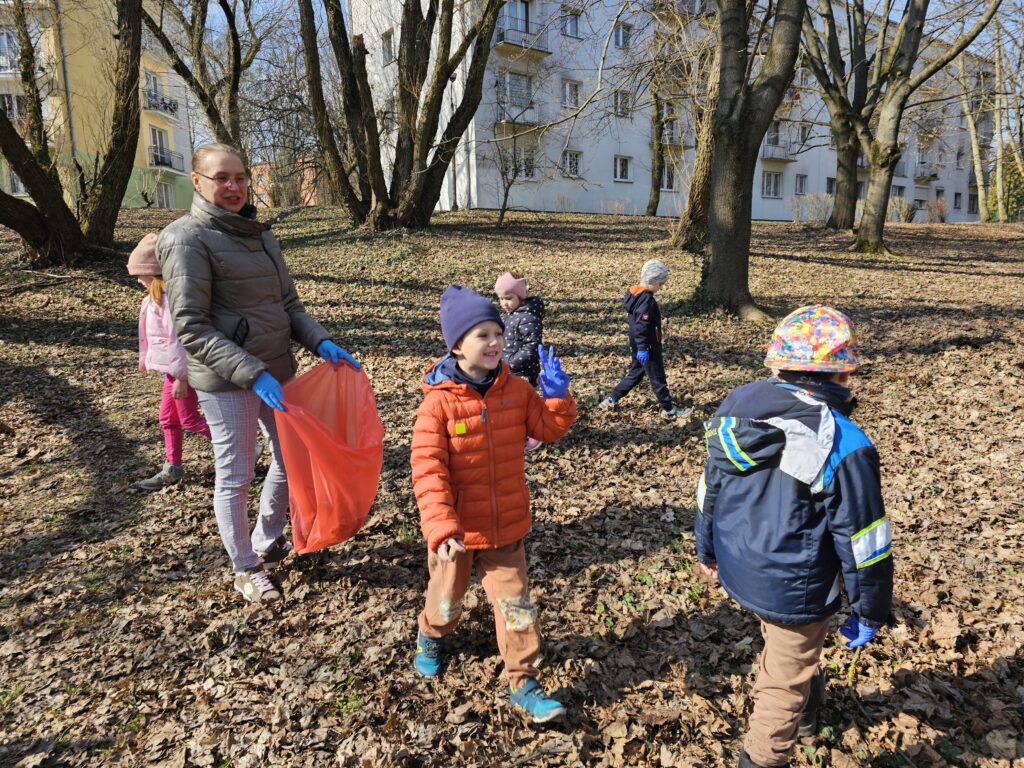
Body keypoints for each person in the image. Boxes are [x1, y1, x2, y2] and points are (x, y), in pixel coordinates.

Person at [156, 142, 360, 604]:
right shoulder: (185, 238)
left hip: (277, 370)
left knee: (291, 460)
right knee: (237, 473)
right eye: (221, 178)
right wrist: (251, 372)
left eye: (240, 178)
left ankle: (267, 539)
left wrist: (320, 341)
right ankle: (244, 566)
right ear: (198, 182)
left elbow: (288, 304)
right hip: (226, 381)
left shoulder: (261, 235)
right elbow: (192, 327)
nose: (233, 187)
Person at [693, 305, 893, 768]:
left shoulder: (735, 411)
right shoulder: (843, 441)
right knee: (781, 683)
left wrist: (707, 547)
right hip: (796, 585)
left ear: (776, 366)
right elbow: (863, 538)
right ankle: (763, 756)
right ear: (842, 375)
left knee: (788, 646)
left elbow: (709, 487)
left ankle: (808, 710)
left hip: (741, 563)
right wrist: (869, 608)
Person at [410, 285, 577, 723]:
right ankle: (431, 634)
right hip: (458, 534)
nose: (495, 342)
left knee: (517, 606)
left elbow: (548, 429)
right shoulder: (437, 406)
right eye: (482, 335)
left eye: (498, 333)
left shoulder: (516, 390)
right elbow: (428, 471)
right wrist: (441, 528)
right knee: (446, 601)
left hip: (506, 527)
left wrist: (557, 398)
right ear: (456, 345)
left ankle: (524, 683)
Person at [128, 232, 211, 491]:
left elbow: (179, 341)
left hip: (183, 372)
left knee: (189, 419)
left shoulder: (170, 302)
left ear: (153, 273)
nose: (138, 280)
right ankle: (172, 468)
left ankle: (245, 448)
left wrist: (182, 378)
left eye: (140, 274)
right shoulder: (152, 300)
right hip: (172, 373)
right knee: (167, 418)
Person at [599, 259, 690, 419]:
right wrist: (643, 348)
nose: (661, 288)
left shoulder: (635, 295)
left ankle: (611, 398)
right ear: (652, 280)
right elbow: (642, 325)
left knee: (635, 374)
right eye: (660, 284)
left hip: (638, 344)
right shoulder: (646, 299)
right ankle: (668, 409)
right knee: (657, 377)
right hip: (647, 346)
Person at [494, 270, 545, 450]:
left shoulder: (528, 317)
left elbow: (532, 346)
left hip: (524, 371)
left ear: (520, 296)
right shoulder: (511, 315)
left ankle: (535, 433)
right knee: (511, 405)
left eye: (508, 298)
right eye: (501, 299)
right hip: (510, 370)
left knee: (525, 405)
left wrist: (512, 361)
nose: (504, 303)